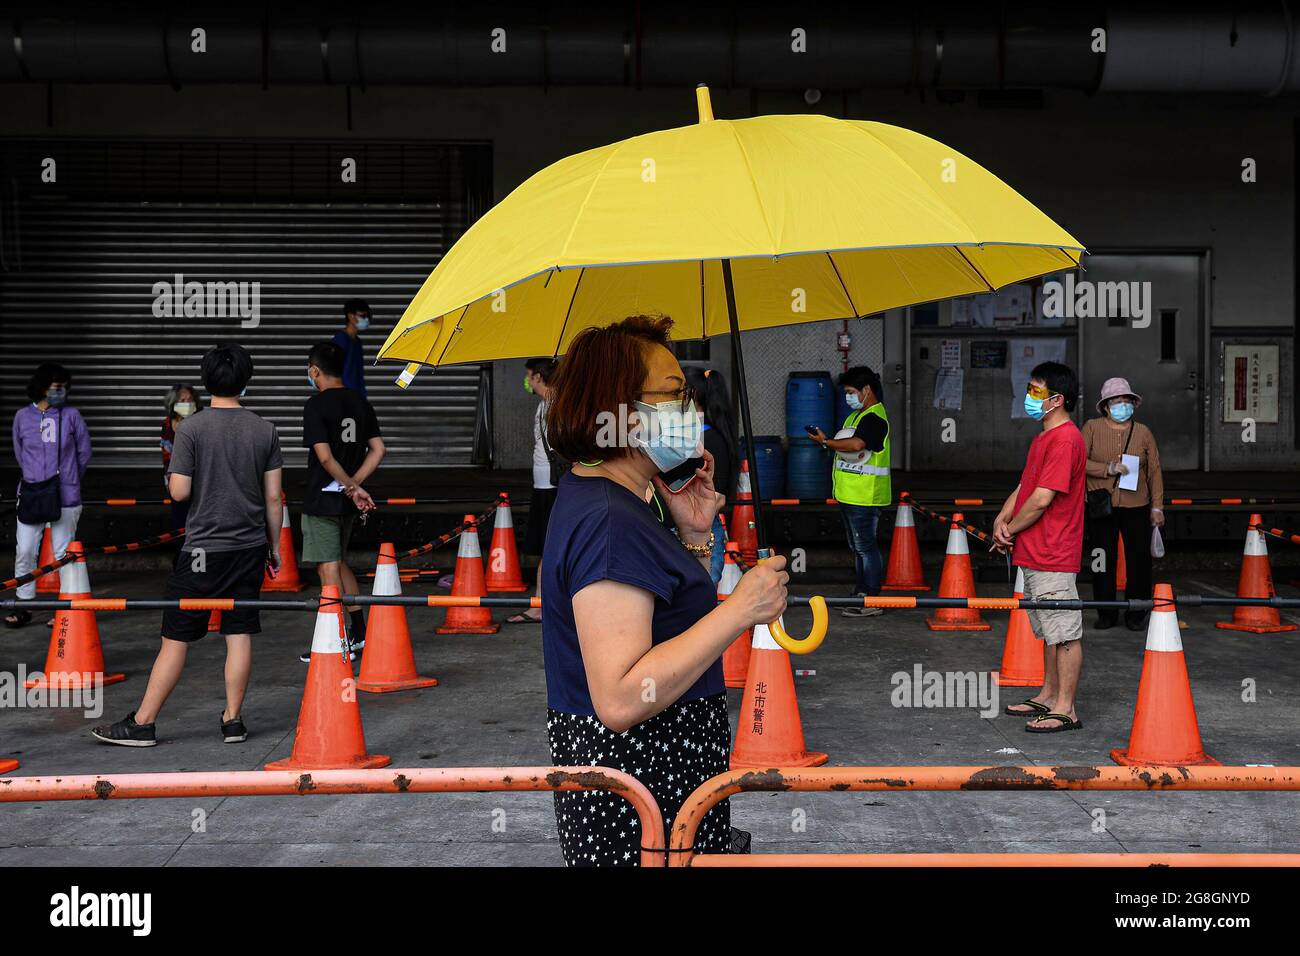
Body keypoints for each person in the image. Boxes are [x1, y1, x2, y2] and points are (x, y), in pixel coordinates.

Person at [541, 314, 788, 866]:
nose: (692, 412)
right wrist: (742, 609)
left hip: (669, 780)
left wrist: (694, 537)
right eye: (675, 395)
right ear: (620, 408)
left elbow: (662, 622)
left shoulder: (622, 500)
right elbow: (622, 697)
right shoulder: (609, 520)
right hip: (641, 795)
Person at [92, 343, 283, 747]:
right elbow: (273, 498)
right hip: (248, 547)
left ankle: (143, 723)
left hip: (201, 551)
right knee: (239, 632)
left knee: (176, 637)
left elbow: (179, 492)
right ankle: (233, 720)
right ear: (246, 381)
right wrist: (275, 547)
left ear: (206, 380)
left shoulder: (192, 428)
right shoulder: (264, 429)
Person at [993, 361, 1087, 733]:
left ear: (1057, 399)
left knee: (1063, 631)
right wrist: (1003, 522)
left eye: (1035, 391)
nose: (1028, 396)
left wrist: (1011, 528)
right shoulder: (1044, 438)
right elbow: (1025, 487)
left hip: (1054, 552)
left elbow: (1043, 499)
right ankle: (1048, 695)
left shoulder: (1065, 440)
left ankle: (1066, 708)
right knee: (1049, 629)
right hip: (1035, 550)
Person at [298, 341, 384, 661]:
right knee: (339, 560)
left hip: (322, 500)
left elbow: (324, 457)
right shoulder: (360, 402)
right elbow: (378, 449)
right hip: (347, 503)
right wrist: (355, 486)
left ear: (315, 371)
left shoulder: (315, 405)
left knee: (328, 567)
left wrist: (348, 485)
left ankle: (334, 641)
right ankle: (359, 632)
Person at [7, 363, 92, 629]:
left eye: (65, 388)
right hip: (32, 493)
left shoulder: (72, 416)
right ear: (42, 388)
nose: (62, 392)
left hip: (65, 496)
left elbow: (84, 453)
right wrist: (35, 478)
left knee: (63, 553)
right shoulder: (22, 416)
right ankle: (23, 605)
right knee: (25, 550)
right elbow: (20, 453)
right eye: (57, 387)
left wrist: (68, 479)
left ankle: (64, 608)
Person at [1082, 378, 1165, 632]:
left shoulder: (1143, 432)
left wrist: (1157, 506)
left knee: (1139, 561)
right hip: (1101, 505)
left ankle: (1136, 613)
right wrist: (1106, 468)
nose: (1123, 406)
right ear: (1106, 406)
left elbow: (1154, 470)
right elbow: (1077, 463)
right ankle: (1106, 613)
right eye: (1118, 402)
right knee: (1102, 559)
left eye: (1127, 402)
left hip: (1137, 505)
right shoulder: (1091, 428)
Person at [808, 366, 890, 618]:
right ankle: (860, 592)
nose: (848, 397)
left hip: (865, 496)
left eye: (852, 392)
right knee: (858, 547)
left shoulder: (874, 418)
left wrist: (825, 441)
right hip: (850, 495)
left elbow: (856, 444)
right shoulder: (855, 417)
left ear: (867, 390)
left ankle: (871, 597)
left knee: (865, 546)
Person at [507, 357, 560, 624]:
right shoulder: (548, 405)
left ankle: (540, 606)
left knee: (547, 547)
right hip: (545, 483)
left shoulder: (556, 405)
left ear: (538, 377)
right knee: (547, 547)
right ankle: (543, 603)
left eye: (529, 376)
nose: (527, 381)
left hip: (551, 485)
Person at [684, 365, 736, 583]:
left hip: (702, 534)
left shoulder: (710, 439)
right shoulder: (683, 437)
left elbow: (718, 495)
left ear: (692, 396)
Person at [161, 383, 203, 529]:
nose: (187, 404)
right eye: (182, 401)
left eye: (190, 400)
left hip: (198, 483)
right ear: (174, 403)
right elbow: (165, 454)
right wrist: (169, 479)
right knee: (179, 521)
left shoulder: (201, 423)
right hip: (175, 481)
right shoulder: (167, 425)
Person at [331, 298, 371, 397]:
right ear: (350, 316)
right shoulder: (341, 340)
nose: (366, 319)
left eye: (367, 316)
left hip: (356, 394)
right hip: (343, 394)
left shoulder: (357, 342)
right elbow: (333, 369)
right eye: (362, 316)